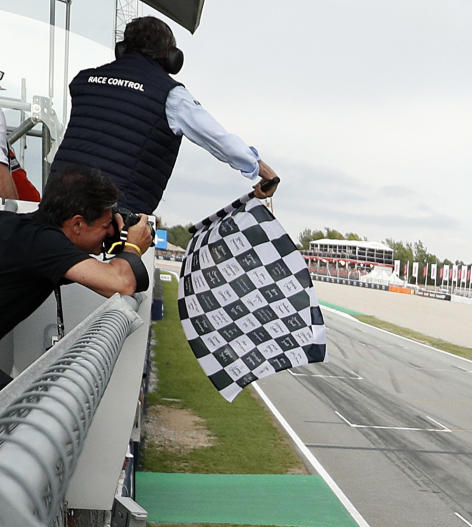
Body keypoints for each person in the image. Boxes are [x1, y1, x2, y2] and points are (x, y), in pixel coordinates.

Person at [49, 16, 277, 215]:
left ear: (123, 49)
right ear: (172, 57)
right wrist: (264, 173)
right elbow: (219, 139)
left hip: (54, 204)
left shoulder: (84, 81)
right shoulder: (170, 95)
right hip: (109, 216)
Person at [0, 165, 151, 343]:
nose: (110, 232)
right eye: (105, 226)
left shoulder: (28, 231)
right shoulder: (46, 244)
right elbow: (120, 283)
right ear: (78, 224)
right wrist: (134, 245)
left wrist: (118, 242)